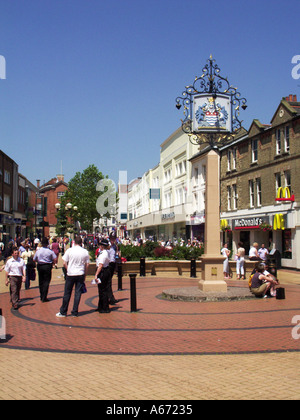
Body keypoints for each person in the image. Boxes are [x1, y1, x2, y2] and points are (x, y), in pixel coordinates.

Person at [56, 236, 90, 318]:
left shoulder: (69, 250)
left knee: (67, 293)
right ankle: (75, 312)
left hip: (71, 274)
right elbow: (87, 264)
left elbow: (64, 263)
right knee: (77, 293)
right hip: (80, 273)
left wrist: (68, 270)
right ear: (81, 242)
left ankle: (63, 311)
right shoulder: (85, 251)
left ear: (74, 242)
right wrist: (85, 274)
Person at [33, 237, 57, 302]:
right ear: (47, 244)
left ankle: (41, 295)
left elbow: (34, 259)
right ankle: (44, 296)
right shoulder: (50, 251)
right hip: (47, 266)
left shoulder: (38, 251)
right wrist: (53, 263)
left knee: (41, 281)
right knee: (46, 281)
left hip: (40, 265)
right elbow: (55, 258)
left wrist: (38, 260)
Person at [94, 238, 111, 313]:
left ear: (102, 246)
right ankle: (101, 306)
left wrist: (96, 274)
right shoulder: (102, 253)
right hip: (103, 271)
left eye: (100, 245)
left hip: (103, 271)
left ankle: (105, 307)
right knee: (101, 289)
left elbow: (101, 265)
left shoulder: (104, 253)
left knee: (103, 290)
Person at [107, 232, 120, 305]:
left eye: (114, 238)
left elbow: (116, 254)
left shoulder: (115, 246)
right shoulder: (107, 245)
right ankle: (110, 298)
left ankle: (110, 297)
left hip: (113, 264)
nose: (113, 240)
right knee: (108, 282)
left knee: (109, 281)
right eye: (112, 238)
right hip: (108, 264)